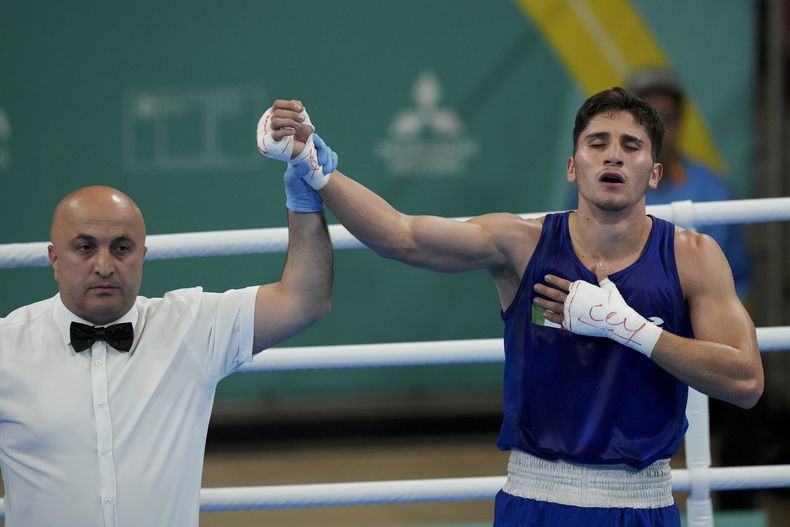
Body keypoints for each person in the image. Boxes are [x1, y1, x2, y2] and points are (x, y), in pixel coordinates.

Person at [259, 88, 764, 526]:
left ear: (654, 172)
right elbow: (403, 236)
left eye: (630, 146)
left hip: (643, 505)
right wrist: (318, 170)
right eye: (597, 143)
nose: (613, 156)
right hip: (536, 502)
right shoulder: (520, 244)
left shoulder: (693, 258)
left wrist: (630, 329)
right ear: (573, 165)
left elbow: (745, 383)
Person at [0, 158, 334, 525]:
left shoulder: (189, 326)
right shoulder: (7, 348)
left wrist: (307, 201)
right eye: (85, 247)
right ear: (54, 258)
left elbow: (303, 300)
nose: (104, 266)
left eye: (122, 248)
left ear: (142, 256)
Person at [627, 66, 752, 300]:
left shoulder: (715, 191)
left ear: (681, 122)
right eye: (646, 118)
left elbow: (737, 280)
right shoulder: (600, 186)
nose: (658, 129)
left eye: (668, 118)